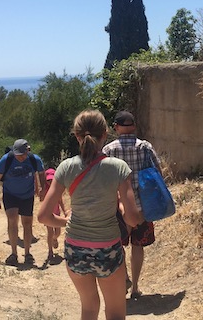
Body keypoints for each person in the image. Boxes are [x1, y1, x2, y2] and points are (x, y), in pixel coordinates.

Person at [38, 109, 141, 320]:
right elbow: (132, 218)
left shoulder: (66, 167)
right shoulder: (118, 168)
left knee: (88, 308)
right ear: (105, 134)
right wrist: (127, 211)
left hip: (76, 249)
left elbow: (43, 216)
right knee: (114, 312)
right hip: (108, 248)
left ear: (77, 136)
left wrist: (66, 221)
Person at [102, 111, 162, 299]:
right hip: (144, 205)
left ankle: (124, 279)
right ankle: (135, 287)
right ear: (134, 126)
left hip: (118, 206)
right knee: (138, 245)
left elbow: (101, 179)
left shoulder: (109, 150)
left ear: (116, 127)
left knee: (118, 244)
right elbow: (158, 172)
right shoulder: (145, 147)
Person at [0, 138, 47, 266]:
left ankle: (27, 253)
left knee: (27, 223)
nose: (20, 157)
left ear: (27, 151)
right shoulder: (6, 159)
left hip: (27, 195)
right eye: (17, 155)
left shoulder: (34, 159)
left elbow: (42, 173)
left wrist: (42, 188)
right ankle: (14, 253)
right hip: (10, 194)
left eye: (22, 155)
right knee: (12, 219)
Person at [44, 167, 67, 264]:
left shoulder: (57, 189)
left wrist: (64, 211)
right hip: (48, 213)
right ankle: (50, 251)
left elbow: (60, 201)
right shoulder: (45, 190)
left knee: (57, 232)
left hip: (56, 213)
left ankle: (54, 238)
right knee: (50, 231)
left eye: (51, 180)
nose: (50, 182)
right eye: (48, 180)